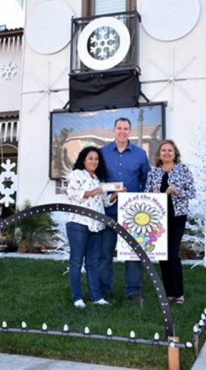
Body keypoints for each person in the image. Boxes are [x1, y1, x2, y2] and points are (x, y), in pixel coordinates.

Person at [100, 117, 151, 303]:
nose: (122, 131)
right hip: (109, 211)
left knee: (134, 252)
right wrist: (111, 193)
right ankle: (104, 290)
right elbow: (98, 182)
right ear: (114, 130)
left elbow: (147, 180)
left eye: (126, 129)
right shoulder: (102, 153)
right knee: (105, 252)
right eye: (119, 128)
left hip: (133, 213)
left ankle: (134, 291)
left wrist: (140, 201)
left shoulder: (140, 154)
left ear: (130, 131)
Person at [144, 140, 196, 304]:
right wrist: (162, 192)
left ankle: (178, 293)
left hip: (177, 216)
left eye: (170, 150)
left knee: (173, 253)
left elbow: (192, 192)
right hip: (158, 217)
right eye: (163, 150)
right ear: (159, 154)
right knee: (162, 255)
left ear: (175, 154)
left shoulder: (183, 170)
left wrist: (177, 191)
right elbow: (147, 194)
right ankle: (169, 293)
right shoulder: (153, 173)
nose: (167, 153)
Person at [66, 146, 116, 308]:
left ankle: (97, 297)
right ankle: (77, 298)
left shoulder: (97, 179)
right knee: (76, 262)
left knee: (93, 262)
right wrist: (96, 190)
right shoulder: (77, 175)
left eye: (96, 159)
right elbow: (74, 194)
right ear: (84, 160)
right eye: (90, 158)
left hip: (96, 225)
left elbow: (104, 202)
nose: (94, 161)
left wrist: (114, 194)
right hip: (79, 223)